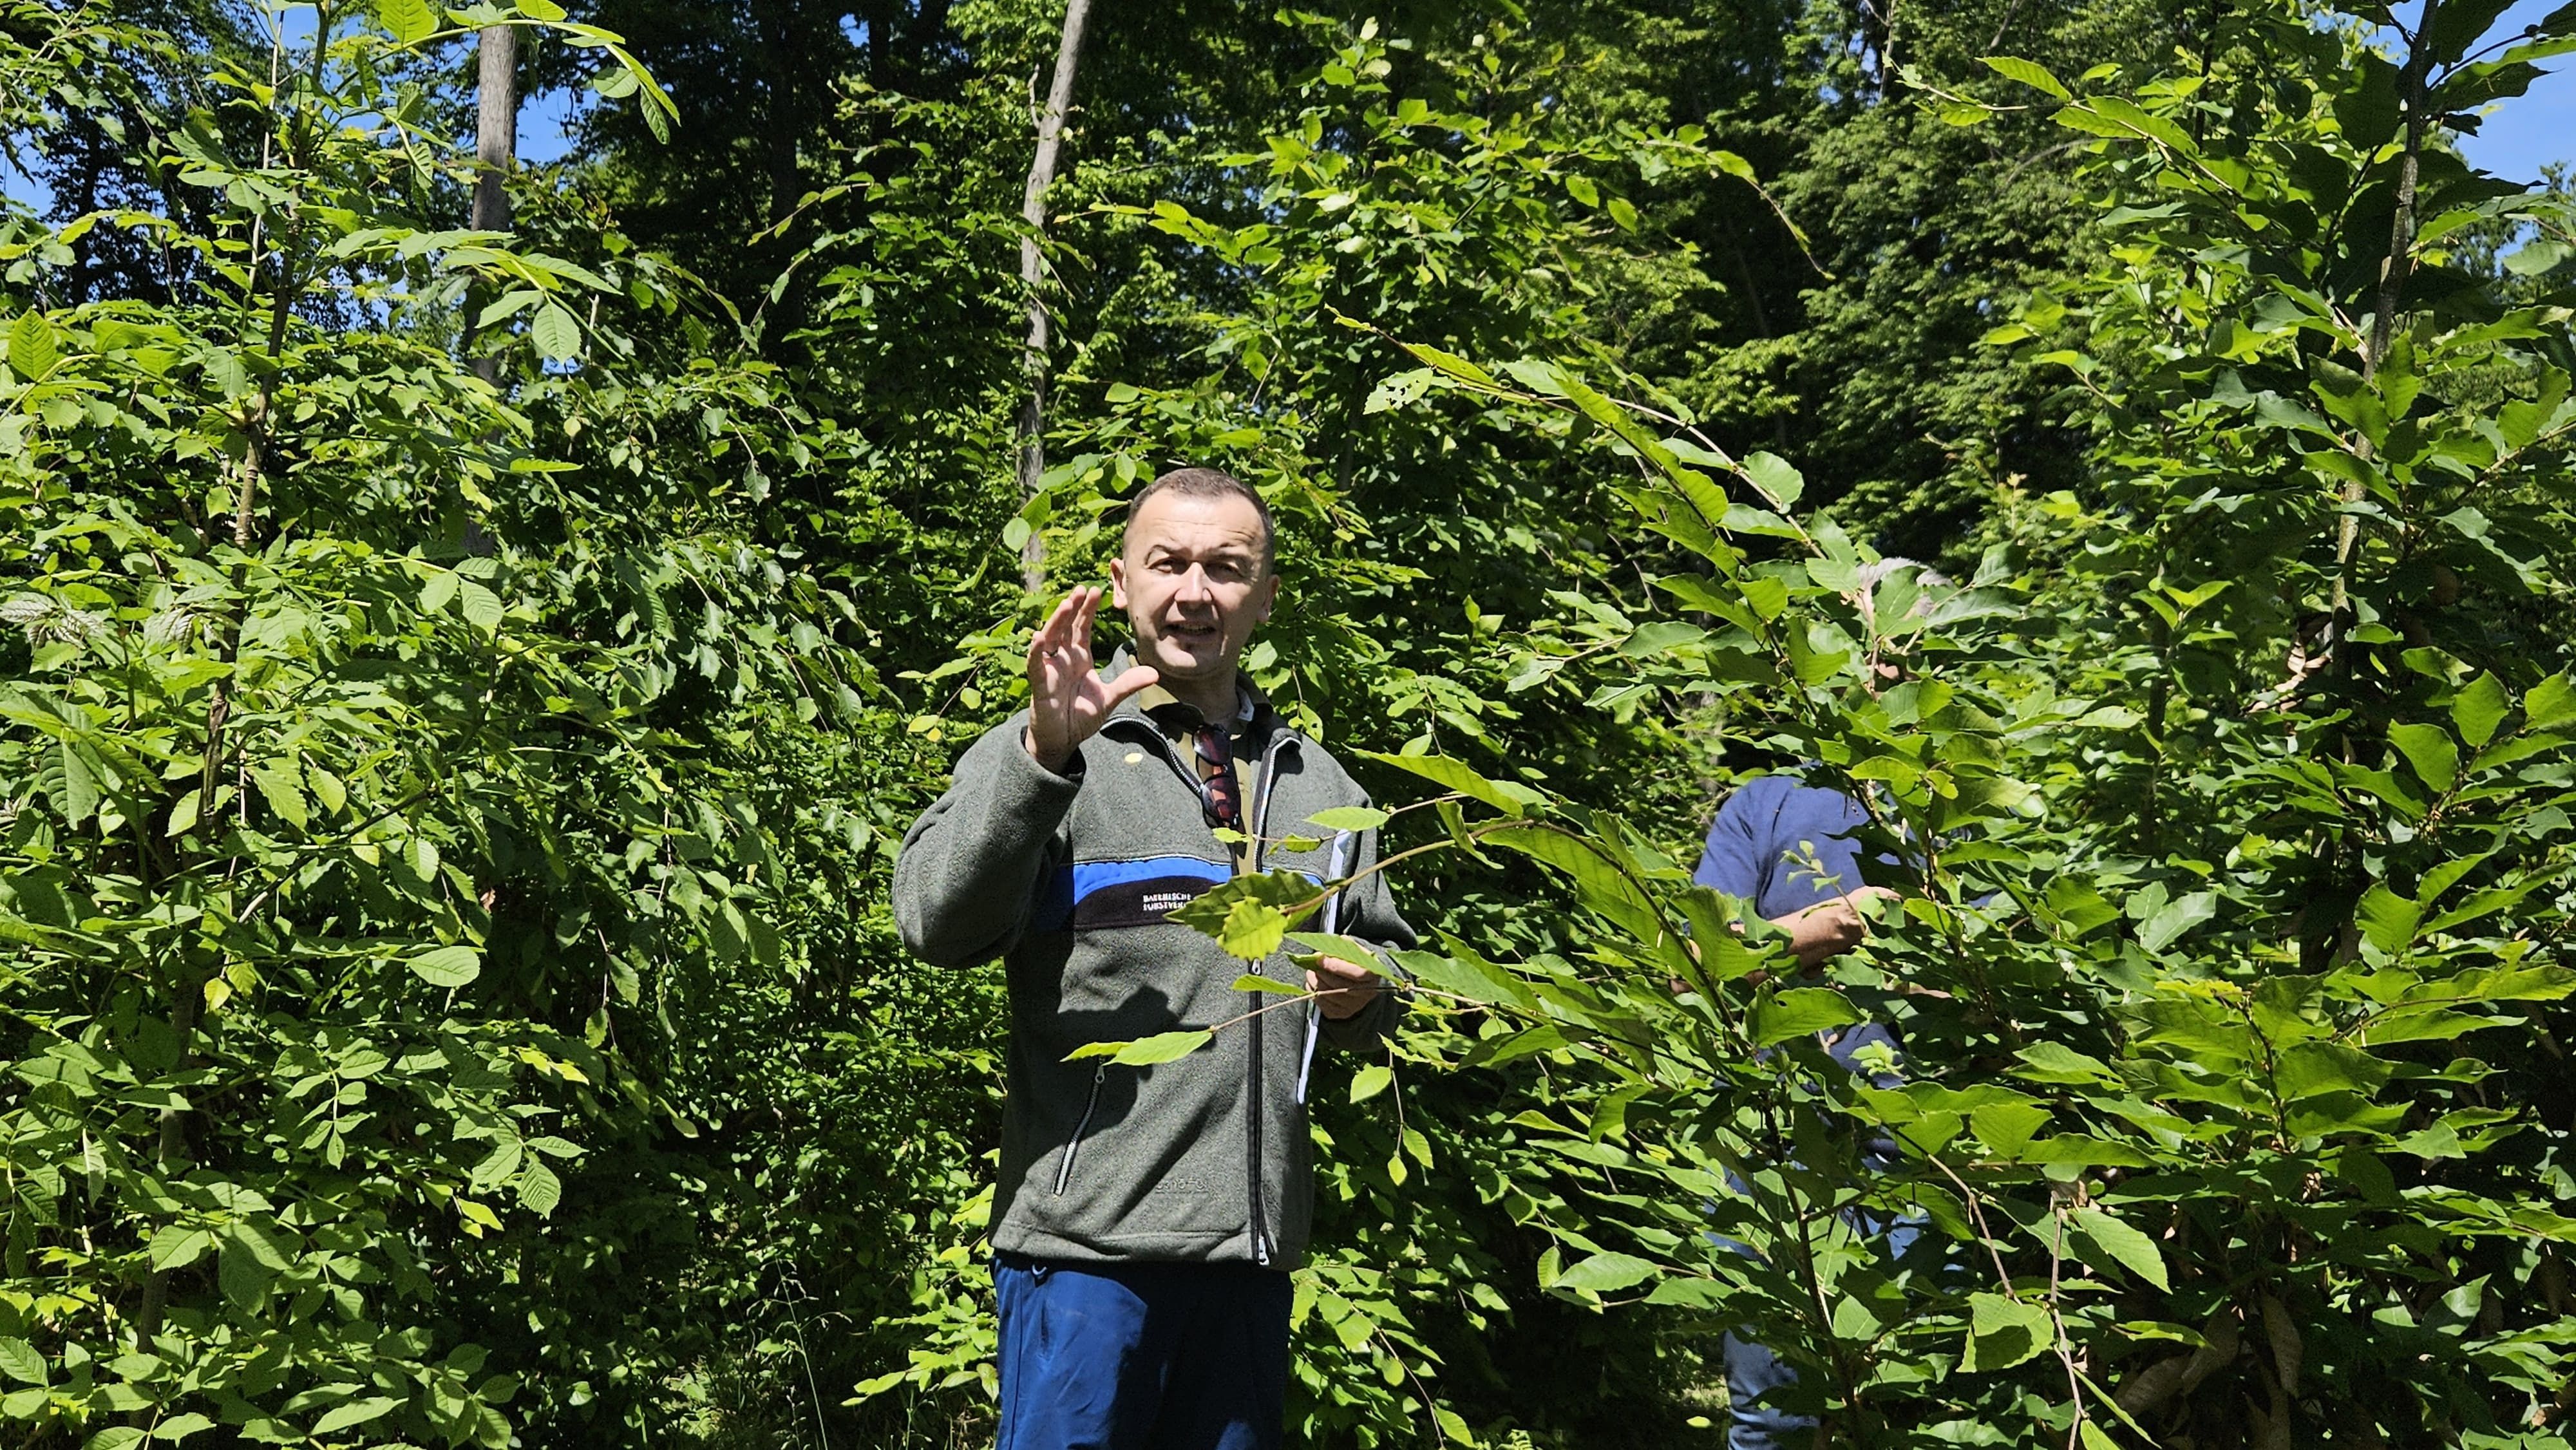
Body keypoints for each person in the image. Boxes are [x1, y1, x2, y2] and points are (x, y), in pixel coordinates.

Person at [893, 466, 1412, 1450]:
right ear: (1124, 584)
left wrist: (1365, 997)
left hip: (1251, 1262)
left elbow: (1391, 971)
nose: (1194, 592)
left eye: (1226, 568)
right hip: (1088, 1259)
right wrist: (1042, 760)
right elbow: (935, 924)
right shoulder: (1054, 751)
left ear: (1263, 595)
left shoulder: (1322, 785)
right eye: (1167, 563)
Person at [1692, 773, 1906, 1450]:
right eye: (1875, 654)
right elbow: (1695, 962)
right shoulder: (1766, 802)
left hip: (1929, 1155)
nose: (1890, 662)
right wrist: (1828, 927)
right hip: (1777, 1146)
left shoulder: (1959, 803)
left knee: (1916, 1398)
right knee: (1773, 1415)